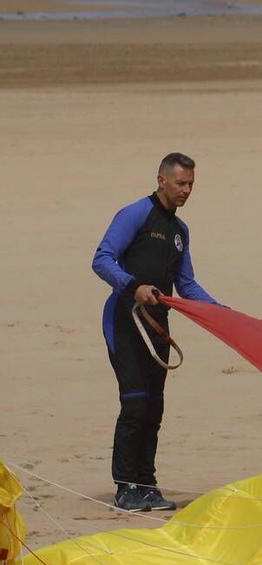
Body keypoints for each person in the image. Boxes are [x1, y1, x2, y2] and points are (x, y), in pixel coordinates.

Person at [91, 153, 221, 512]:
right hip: (125, 320)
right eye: (181, 183)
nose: (186, 190)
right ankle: (125, 487)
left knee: (154, 408)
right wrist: (133, 286)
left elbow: (188, 285)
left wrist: (223, 315)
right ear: (161, 180)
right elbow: (101, 259)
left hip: (158, 327)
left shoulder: (180, 231)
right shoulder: (135, 214)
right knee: (134, 403)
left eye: (191, 184)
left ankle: (146, 485)